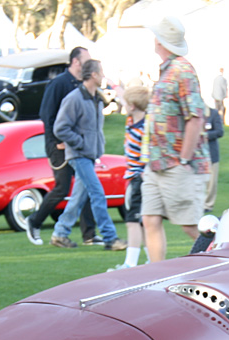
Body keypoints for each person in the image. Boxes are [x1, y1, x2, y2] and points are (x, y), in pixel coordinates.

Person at [141, 16, 209, 263]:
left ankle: (227, 264)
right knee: (149, 219)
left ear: (160, 41)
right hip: (157, 164)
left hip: (178, 165)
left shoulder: (183, 70)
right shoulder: (167, 70)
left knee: (192, 226)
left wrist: (183, 159)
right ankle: (156, 274)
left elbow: (195, 118)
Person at [49, 60, 126, 252]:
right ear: (93, 74)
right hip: (79, 155)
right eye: (101, 72)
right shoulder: (74, 98)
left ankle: (60, 233)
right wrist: (80, 143)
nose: (103, 76)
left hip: (89, 155)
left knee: (78, 197)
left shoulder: (95, 98)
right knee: (97, 193)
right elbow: (60, 127)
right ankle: (110, 237)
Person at [26, 46, 97, 247]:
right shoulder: (59, 84)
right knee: (62, 188)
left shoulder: (82, 85)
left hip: (78, 145)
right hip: (59, 145)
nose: (89, 64)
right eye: (86, 60)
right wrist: (57, 141)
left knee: (87, 184)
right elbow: (47, 115)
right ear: (75, 61)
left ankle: (89, 235)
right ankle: (34, 221)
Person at [109, 85, 150, 270]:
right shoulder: (132, 121)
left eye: (126, 103)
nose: (123, 105)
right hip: (136, 178)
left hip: (139, 178)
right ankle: (151, 260)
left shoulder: (143, 127)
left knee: (133, 222)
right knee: (142, 223)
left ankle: (130, 263)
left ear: (132, 106)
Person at [203, 102, 224, 213]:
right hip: (197, 154)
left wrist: (205, 136)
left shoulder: (213, 114)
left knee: (211, 181)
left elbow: (220, 132)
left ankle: (208, 205)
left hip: (211, 153)